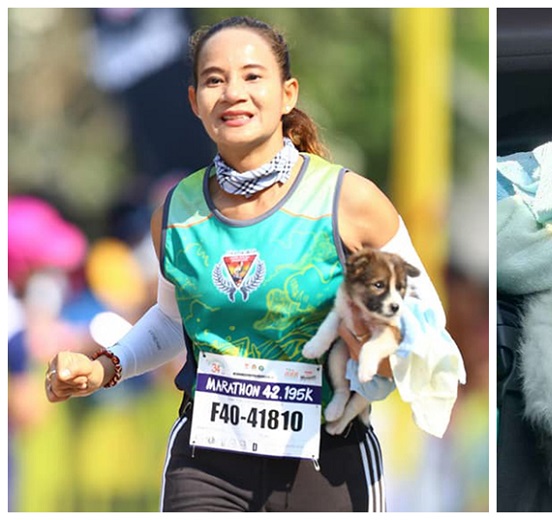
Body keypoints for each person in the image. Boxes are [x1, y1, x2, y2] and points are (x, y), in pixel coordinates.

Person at [44, 15, 445, 512]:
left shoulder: (351, 201)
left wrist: (377, 344)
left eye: (253, 76)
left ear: (288, 94)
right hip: (206, 465)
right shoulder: (174, 212)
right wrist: (105, 366)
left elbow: (427, 322)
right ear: (194, 101)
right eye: (215, 79)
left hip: (328, 463)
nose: (233, 92)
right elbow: (173, 322)